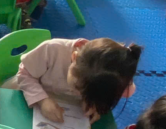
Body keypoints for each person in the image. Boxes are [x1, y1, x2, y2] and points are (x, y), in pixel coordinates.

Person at [11, 37, 142, 123]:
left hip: (68, 107)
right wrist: (42, 100)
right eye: (78, 88)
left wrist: (94, 104)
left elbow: (127, 90)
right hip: (31, 95)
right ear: (74, 58)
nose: (78, 94)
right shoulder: (52, 49)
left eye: (84, 93)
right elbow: (24, 74)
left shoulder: (116, 79)